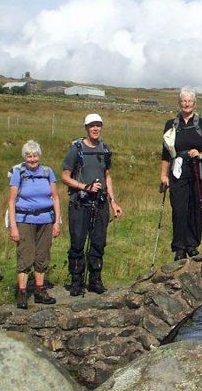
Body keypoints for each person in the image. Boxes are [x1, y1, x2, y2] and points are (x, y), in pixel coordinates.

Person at [62, 114, 123, 296]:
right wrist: (85, 187)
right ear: (86, 128)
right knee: (78, 243)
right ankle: (76, 281)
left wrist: (113, 202)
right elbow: (65, 177)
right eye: (91, 126)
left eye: (98, 125)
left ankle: (95, 280)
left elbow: (107, 176)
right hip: (80, 203)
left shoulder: (105, 149)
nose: (95, 129)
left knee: (98, 242)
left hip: (101, 203)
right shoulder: (76, 149)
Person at [161, 87, 202, 260]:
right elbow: (165, 152)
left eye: (189, 101)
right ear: (179, 103)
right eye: (183, 101)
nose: (186, 104)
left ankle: (192, 245)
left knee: (197, 207)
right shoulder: (171, 125)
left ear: (195, 103)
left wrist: (199, 154)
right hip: (177, 168)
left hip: (200, 168)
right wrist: (163, 175)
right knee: (179, 208)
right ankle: (179, 247)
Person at [8, 140, 61, 309]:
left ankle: (40, 291)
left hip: (46, 219)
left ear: (39, 156)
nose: (32, 159)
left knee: (42, 256)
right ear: (24, 157)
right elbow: (12, 200)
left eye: (35, 156)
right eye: (29, 156)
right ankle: (22, 293)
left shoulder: (48, 172)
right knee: (25, 255)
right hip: (24, 220)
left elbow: (55, 198)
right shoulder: (18, 173)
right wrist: (13, 226)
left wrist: (57, 222)